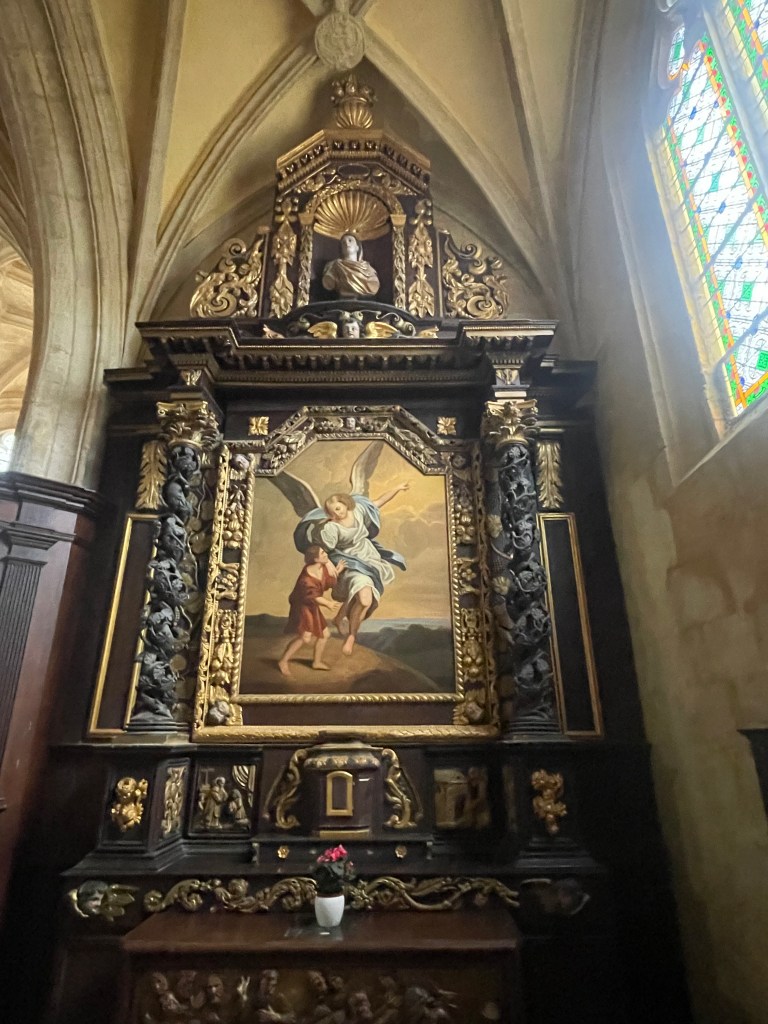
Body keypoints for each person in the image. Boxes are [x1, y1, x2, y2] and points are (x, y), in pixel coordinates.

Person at [295, 486, 408, 657]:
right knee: (364, 599)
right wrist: (329, 564)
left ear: (346, 504)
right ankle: (348, 631)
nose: (337, 513)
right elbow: (323, 549)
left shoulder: (359, 510)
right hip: (350, 562)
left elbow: (379, 501)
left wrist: (397, 488)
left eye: (338, 508)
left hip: (370, 559)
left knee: (362, 599)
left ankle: (350, 633)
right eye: (332, 512)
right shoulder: (331, 528)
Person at [278, 546, 345, 677]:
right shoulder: (306, 579)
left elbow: (328, 582)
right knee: (305, 637)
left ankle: (317, 662)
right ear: (316, 559)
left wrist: (337, 571)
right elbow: (312, 596)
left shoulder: (322, 568)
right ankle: (283, 661)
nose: (326, 555)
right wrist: (328, 603)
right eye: (323, 553)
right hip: (302, 606)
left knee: (325, 634)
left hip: (312, 606)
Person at [322, 233, 380, 298]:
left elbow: (374, 285)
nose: (347, 243)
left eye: (350, 240)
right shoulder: (334, 266)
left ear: (357, 247)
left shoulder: (368, 269)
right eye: (343, 242)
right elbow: (329, 283)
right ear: (341, 249)